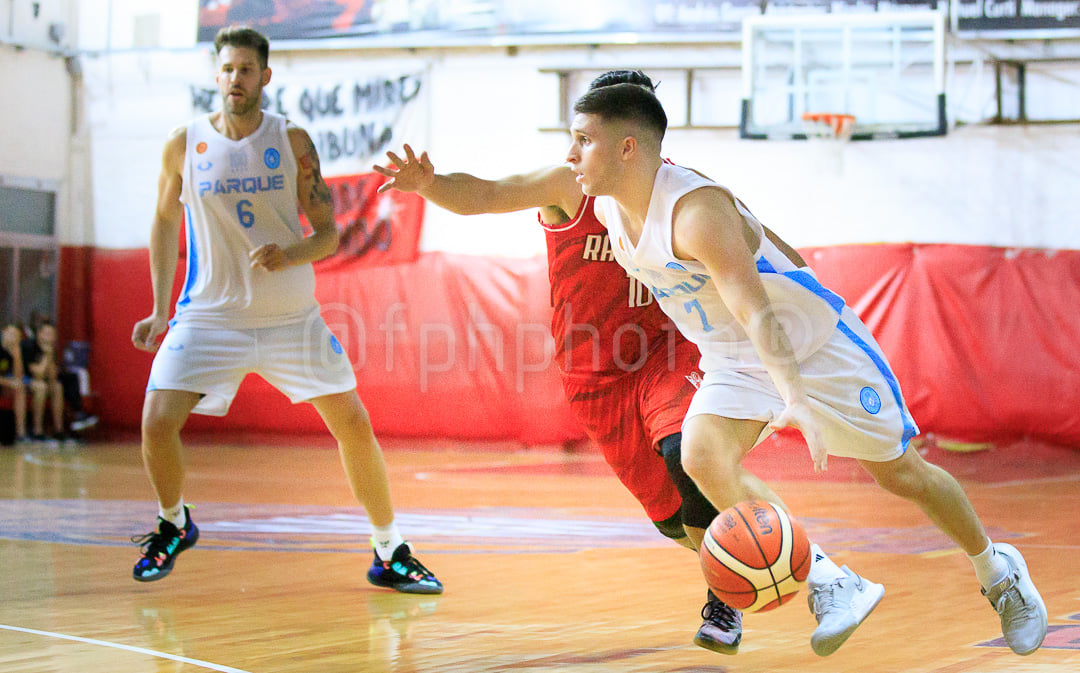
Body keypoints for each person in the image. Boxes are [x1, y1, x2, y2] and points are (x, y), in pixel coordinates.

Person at [374, 70, 885, 656]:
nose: (581, 147)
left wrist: (803, 292)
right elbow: (489, 192)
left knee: (688, 457)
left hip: (669, 351)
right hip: (595, 370)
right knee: (672, 519)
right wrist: (429, 184)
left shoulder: (671, 191)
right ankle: (727, 569)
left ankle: (803, 580)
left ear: (629, 137)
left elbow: (751, 237)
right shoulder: (571, 184)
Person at [563, 81, 1047, 656]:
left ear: (627, 148)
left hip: (811, 343)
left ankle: (998, 570)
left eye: (583, 140)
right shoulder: (612, 213)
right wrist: (429, 186)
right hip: (734, 358)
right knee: (699, 456)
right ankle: (833, 582)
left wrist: (793, 392)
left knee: (901, 475)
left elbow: (756, 308)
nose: (570, 155)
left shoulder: (694, 211)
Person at [128, 26, 441, 594]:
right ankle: (174, 523)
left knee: (353, 424)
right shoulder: (184, 144)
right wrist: (156, 308)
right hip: (208, 316)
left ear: (265, 77)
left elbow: (327, 235)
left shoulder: (291, 141)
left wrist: (287, 254)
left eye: (246, 69)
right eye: (227, 69)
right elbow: (163, 221)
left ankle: (390, 549)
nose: (235, 79)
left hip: (289, 319)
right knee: (155, 423)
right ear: (215, 75)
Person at [21, 321, 67, 443]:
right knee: (40, 387)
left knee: (57, 386)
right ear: (39, 334)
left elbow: (52, 377)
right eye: (47, 333)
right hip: (26, 379)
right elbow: (38, 374)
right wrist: (46, 355)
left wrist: (50, 354)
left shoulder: (53, 350)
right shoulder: (29, 346)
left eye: (52, 334)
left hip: (43, 381)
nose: (50, 337)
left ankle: (59, 430)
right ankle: (37, 431)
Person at [1, 324, 29, 444]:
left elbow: (18, 376)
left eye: (16, 336)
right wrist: (9, 383)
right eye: (10, 334)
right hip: (4, 383)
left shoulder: (13, 352)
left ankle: (21, 434)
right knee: (15, 385)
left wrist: (17, 354)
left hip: (4, 386)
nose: (12, 338)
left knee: (20, 387)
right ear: (3, 333)